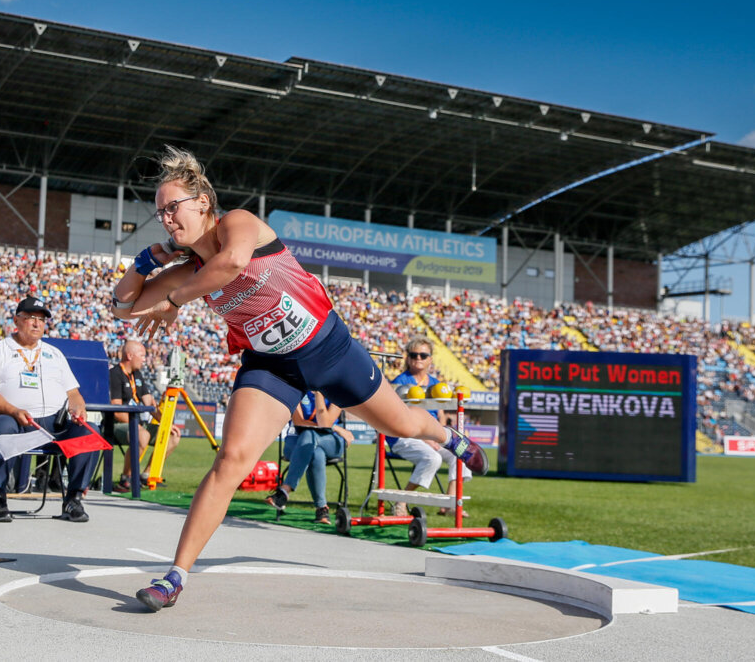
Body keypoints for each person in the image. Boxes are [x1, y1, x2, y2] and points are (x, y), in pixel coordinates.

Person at [111, 145, 487, 612]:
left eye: (173, 208)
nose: (167, 219)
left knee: (402, 426)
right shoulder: (187, 269)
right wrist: (148, 259)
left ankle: (446, 436)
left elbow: (230, 264)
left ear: (203, 202)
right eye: (160, 213)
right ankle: (174, 576)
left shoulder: (240, 224)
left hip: (329, 349)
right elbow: (122, 306)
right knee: (231, 460)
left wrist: (174, 303)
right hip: (272, 367)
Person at [0, 296, 98, 523]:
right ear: (16, 321)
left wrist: (78, 410)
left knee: (90, 431)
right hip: (14, 420)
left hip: (53, 423)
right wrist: (13, 411)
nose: (37, 323)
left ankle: (74, 499)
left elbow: (74, 393)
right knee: (2, 426)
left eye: (41, 319)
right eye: (31, 318)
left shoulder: (54, 354)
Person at [388, 337, 472, 518]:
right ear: (408, 358)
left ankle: (450, 503)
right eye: (414, 354)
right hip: (404, 435)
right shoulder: (399, 382)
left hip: (430, 434)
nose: (418, 358)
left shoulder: (436, 384)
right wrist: (426, 439)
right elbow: (399, 418)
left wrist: (444, 437)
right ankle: (401, 502)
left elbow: (440, 416)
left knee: (461, 451)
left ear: (430, 359)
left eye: (423, 355)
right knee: (432, 457)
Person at [265, 391, 354, 524]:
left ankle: (284, 491)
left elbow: (325, 423)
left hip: (330, 442)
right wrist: (336, 428)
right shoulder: (297, 390)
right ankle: (321, 509)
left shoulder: (336, 389)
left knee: (309, 437)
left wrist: (319, 394)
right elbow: (300, 422)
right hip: (297, 442)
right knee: (315, 451)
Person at [108, 339, 167, 492]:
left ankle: (146, 474)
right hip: (115, 425)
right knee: (142, 435)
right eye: (141, 355)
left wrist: (167, 424)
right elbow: (117, 411)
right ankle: (125, 479)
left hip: (137, 424)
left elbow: (149, 403)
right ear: (129, 355)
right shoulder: (115, 374)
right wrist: (136, 425)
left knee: (171, 435)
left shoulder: (137, 374)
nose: (144, 359)